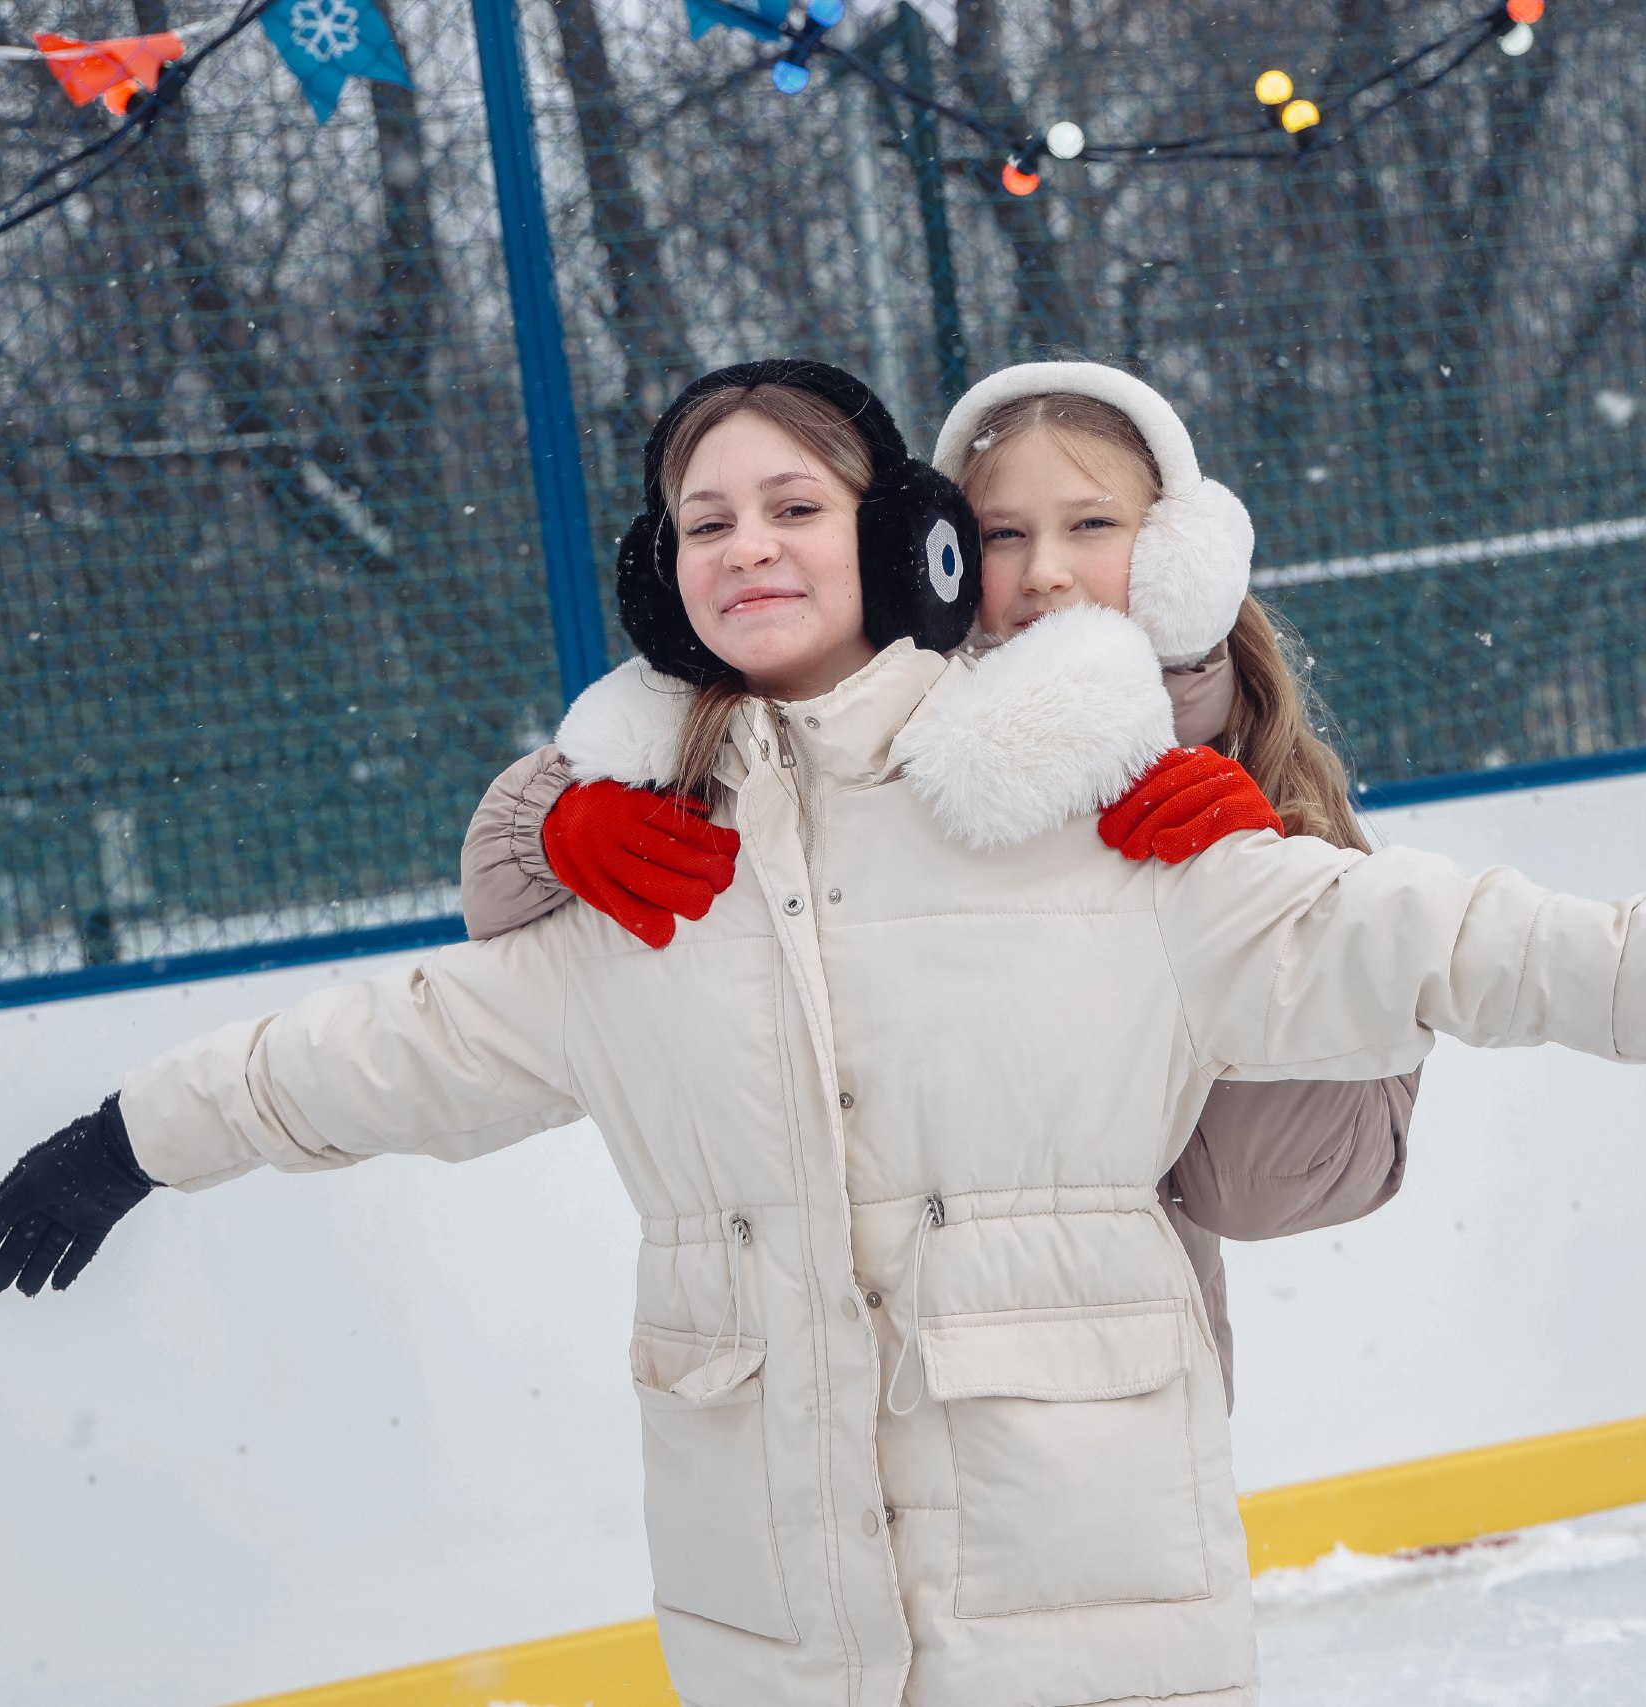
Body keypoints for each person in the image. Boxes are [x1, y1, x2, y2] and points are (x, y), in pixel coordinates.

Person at [0, 360, 1646, 1707]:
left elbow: (1442, 939)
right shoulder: (637, 888)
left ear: (902, 546)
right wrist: (126, 1135)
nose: (746, 543)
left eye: (791, 501)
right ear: (658, 576)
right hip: (775, 1623)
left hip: (1085, 1597)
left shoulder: (1096, 825)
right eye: (703, 517)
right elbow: (381, 1051)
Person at [454, 360, 1414, 1408]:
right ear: (935, 553)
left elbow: (1274, 1187)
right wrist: (541, 823)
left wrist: (1257, 903)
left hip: (1110, 1415)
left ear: (1184, 558)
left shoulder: (1270, 792)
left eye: (1092, 526)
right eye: (1003, 535)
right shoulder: (902, 744)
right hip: (862, 1400)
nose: (1044, 571)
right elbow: (510, 924)